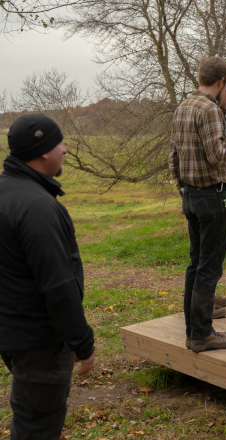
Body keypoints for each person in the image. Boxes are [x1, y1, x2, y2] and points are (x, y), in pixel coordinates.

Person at [0, 114, 96, 440]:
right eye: (60, 143)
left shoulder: (6, 192)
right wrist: (82, 341)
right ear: (43, 151)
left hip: (15, 336)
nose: (65, 150)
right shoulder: (37, 206)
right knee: (36, 428)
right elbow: (58, 284)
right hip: (40, 340)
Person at [168, 56, 226, 352]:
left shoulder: (183, 107)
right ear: (221, 82)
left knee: (196, 265)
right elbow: (219, 153)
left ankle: (194, 330)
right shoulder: (210, 110)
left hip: (192, 196)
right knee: (208, 268)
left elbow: (173, 158)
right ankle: (202, 334)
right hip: (212, 198)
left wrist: (184, 191)